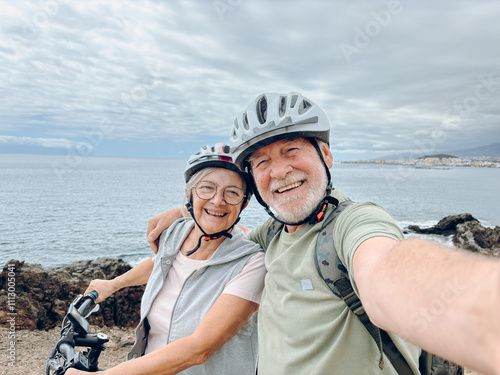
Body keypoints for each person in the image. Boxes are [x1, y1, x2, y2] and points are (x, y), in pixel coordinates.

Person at [146, 92, 500, 375]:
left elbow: (388, 270)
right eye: (262, 162)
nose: (280, 171)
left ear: (325, 154)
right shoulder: (272, 234)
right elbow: (225, 238)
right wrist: (186, 210)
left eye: (291, 150)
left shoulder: (354, 223)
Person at [68, 143, 266, 375]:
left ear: (244, 203)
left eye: (231, 192)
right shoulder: (177, 231)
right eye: (207, 188)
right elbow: (160, 264)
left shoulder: (251, 263)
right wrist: (114, 284)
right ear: (188, 194)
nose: (217, 200)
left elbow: (198, 348)